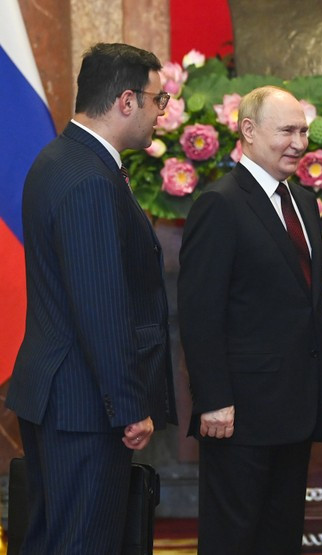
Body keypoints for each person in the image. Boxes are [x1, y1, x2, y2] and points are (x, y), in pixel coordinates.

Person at [6, 43, 177, 553]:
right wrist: (129, 406)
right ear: (126, 100)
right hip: (85, 406)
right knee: (83, 543)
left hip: (63, 396)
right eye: (157, 99)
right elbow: (99, 306)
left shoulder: (62, 159)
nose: (159, 112)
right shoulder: (89, 180)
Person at [178, 85, 322, 554]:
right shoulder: (220, 204)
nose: (300, 143)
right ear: (248, 130)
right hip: (239, 413)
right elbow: (199, 311)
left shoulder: (303, 202)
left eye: (304, 131)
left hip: (295, 408)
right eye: (287, 130)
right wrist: (214, 399)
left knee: (281, 536)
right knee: (234, 537)